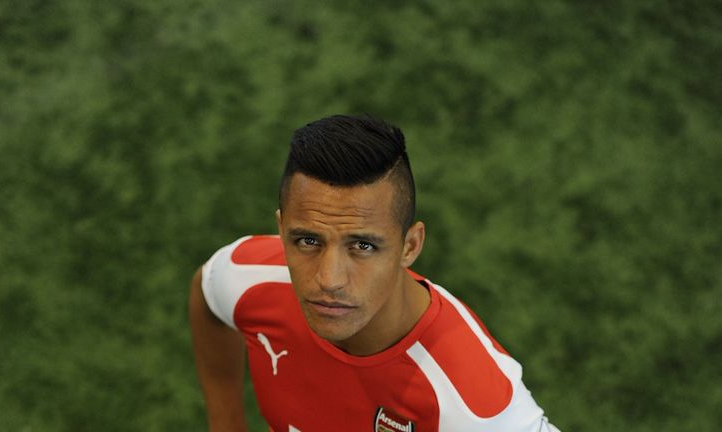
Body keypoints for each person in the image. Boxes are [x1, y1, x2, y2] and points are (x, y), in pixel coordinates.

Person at [189, 115, 559, 431]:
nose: (329, 279)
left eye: (363, 246)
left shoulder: (478, 407)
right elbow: (207, 295)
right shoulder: (248, 274)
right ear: (282, 229)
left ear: (410, 246)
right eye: (307, 241)